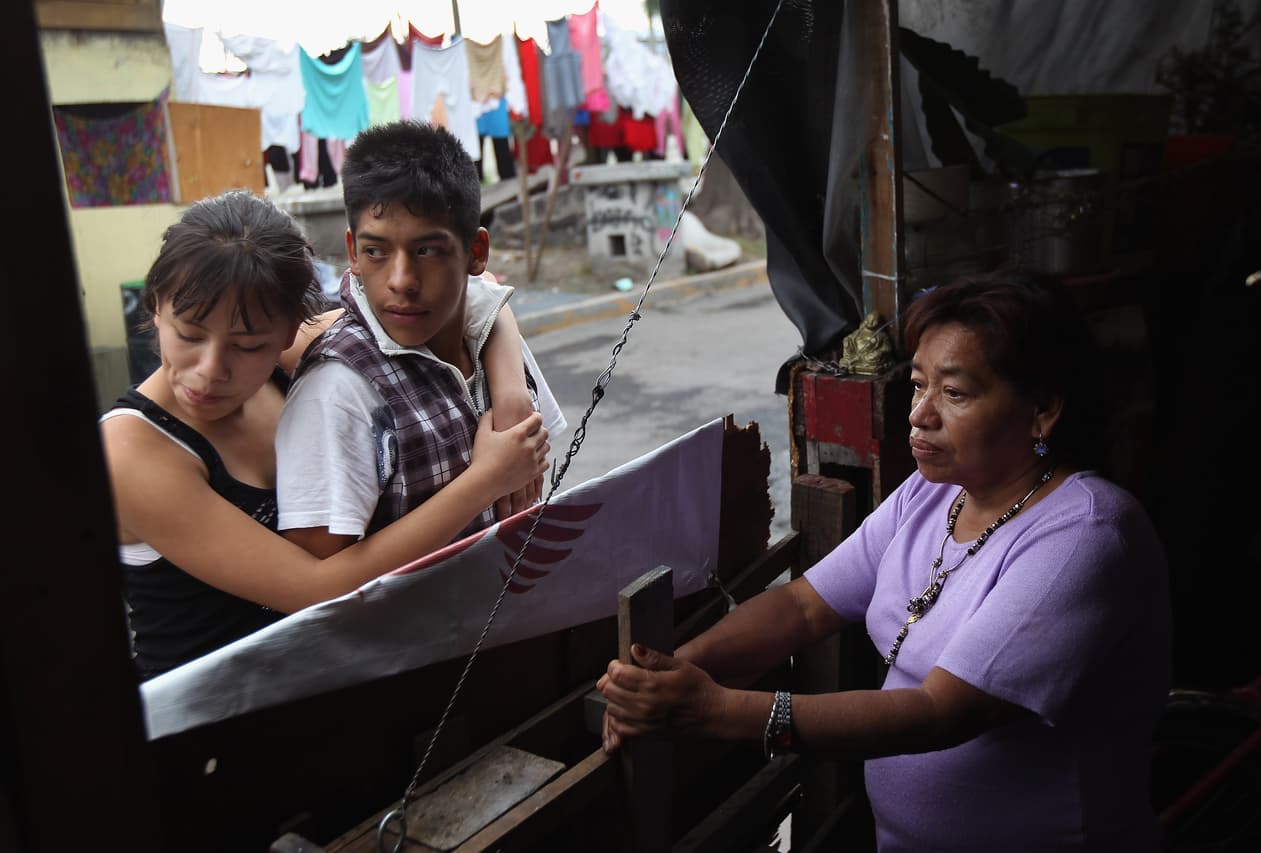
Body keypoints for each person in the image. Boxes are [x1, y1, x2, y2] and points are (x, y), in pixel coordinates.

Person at [596, 269, 1172, 852]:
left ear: (1042, 410)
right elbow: (802, 607)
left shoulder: (1085, 536)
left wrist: (721, 711)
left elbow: (937, 712)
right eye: (919, 385)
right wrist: (664, 676)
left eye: (954, 393)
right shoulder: (934, 494)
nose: (920, 414)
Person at [99, 190, 550, 680]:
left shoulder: (299, 353)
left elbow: (472, 296)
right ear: (156, 308)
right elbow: (318, 589)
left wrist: (509, 394)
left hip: (323, 682)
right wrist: (484, 480)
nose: (209, 370)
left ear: (292, 328)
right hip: (204, 720)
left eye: (247, 346)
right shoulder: (131, 449)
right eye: (188, 335)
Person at [275, 120, 567, 558]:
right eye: (376, 251)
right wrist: (486, 479)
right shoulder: (339, 392)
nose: (402, 281)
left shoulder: (490, 337)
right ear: (352, 253)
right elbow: (324, 589)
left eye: (427, 251)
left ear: (475, 253)